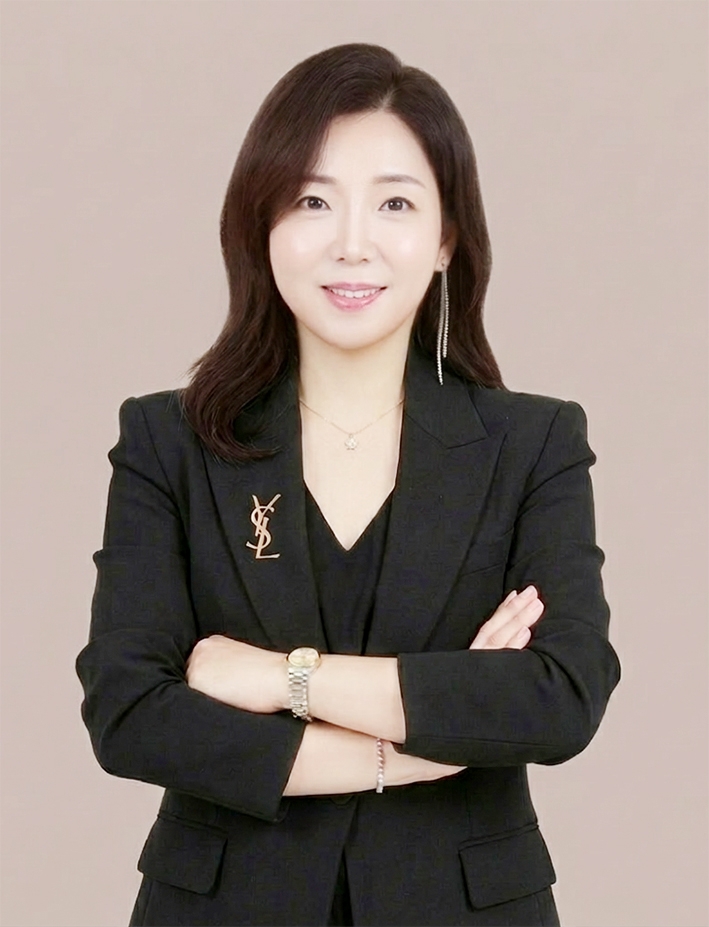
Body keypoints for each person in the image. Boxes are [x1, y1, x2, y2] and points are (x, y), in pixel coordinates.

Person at [75, 42, 621, 927]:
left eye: (395, 203)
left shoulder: (532, 442)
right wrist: (424, 743)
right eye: (311, 200)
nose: (352, 243)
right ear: (262, 225)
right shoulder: (167, 440)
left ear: (445, 238)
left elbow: (559, 695)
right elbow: (130, 710)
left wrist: (279, 677)